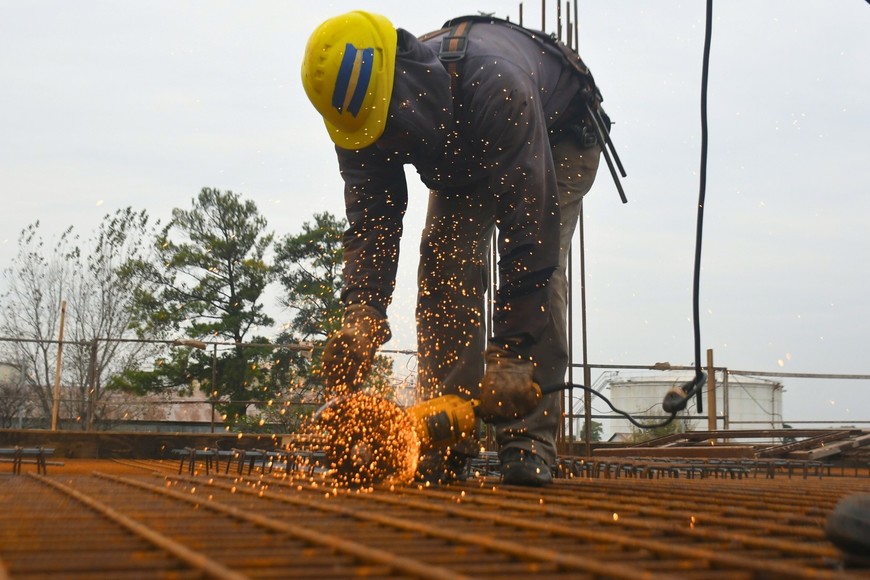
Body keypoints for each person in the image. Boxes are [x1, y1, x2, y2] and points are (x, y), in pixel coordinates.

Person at [302, 10, 607, 486]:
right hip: (461, 148)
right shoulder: (355, 113)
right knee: (444, 266)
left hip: (557, 134)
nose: (382, 142)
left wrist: (510, 353)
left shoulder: (494, 85)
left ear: (403, 79)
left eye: (387, 125)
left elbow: (531, 235)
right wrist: (362, 310)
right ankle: (446, 433)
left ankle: (528, 438)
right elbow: (372, 220)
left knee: (542, 281)